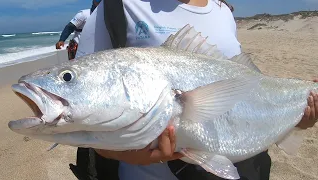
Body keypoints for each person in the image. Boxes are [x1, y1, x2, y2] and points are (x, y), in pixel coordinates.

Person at [73, 0, 318, 180]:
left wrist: (295, 118)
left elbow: (246, 88)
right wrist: (123, 154)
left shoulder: (222, 12)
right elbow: (89, 107)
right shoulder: (117, 6)